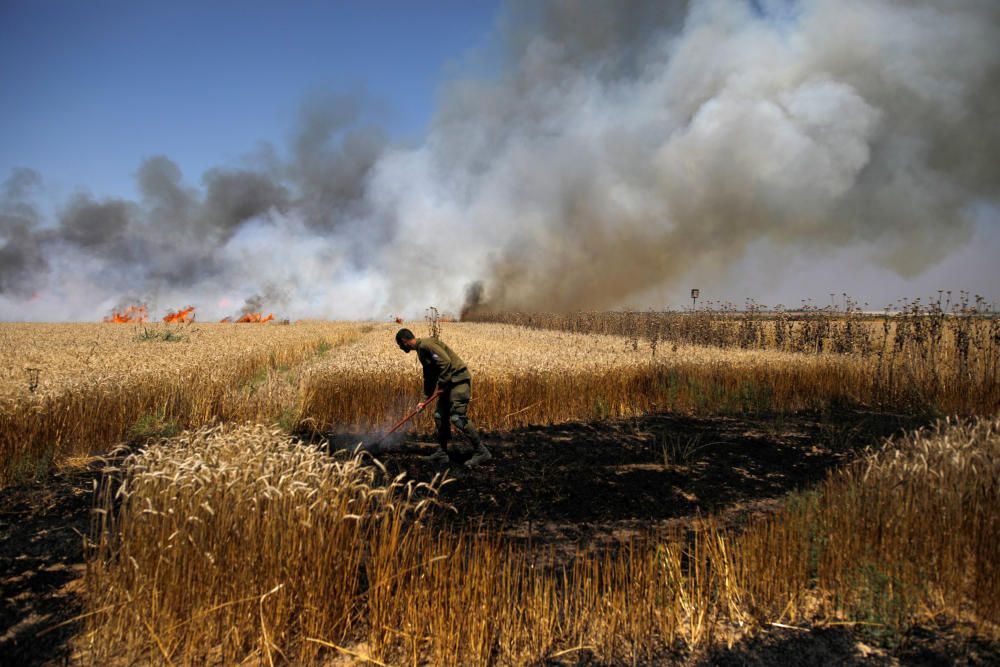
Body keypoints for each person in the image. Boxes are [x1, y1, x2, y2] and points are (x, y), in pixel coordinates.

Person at [395, 328, 492, 466]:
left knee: (457, 417)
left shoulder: (426, 345)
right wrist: (422, 401)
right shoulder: (421, 351)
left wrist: (441, 385)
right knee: (439, 416)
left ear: (404, 342)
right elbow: (429, 379)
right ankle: (442, 453)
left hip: (458, 382)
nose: (400, 348)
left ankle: (482, 451)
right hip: (448, 384)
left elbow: (445, 362)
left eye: (399, 345)